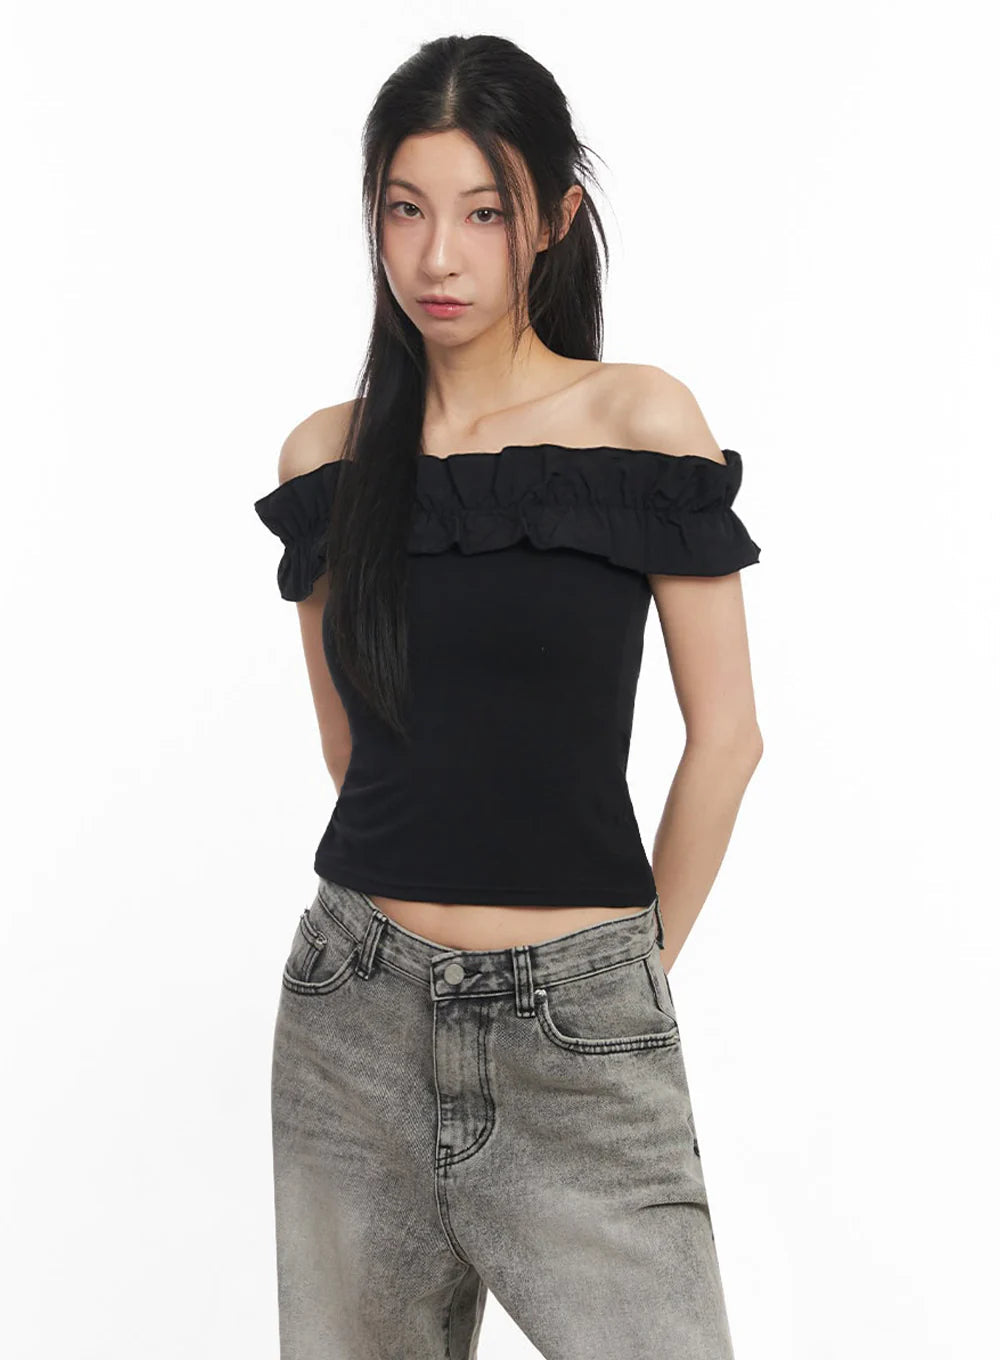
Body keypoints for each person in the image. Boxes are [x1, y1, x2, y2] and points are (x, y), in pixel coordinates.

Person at [253, 32, 763, 1360]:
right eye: (405, 210)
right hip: (353, 1021)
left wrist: (617, 979)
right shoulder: (328, 461)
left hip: (583, 1033)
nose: (439, 256)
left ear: (553, 220)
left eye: (485, 213)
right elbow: (355, 751)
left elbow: (728, 740)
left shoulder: (641, 425)